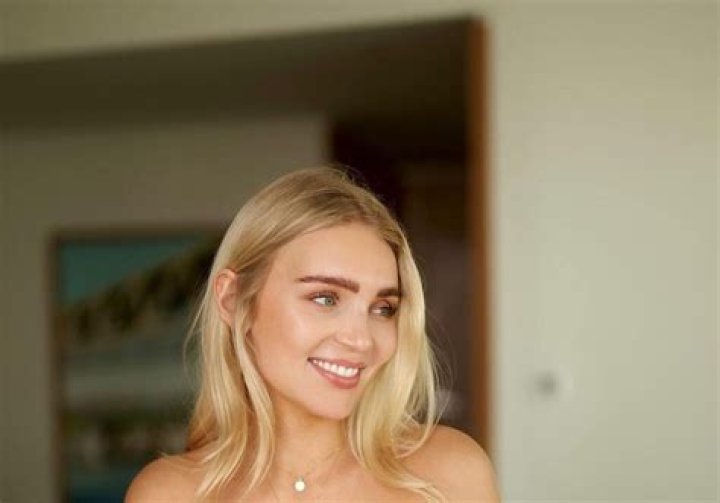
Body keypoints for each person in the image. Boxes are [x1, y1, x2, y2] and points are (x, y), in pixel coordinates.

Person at [125, 167, 499, 502]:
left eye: (383, 308)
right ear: (234, 300)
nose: (361, 340)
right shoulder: (169, 494)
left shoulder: (451, 473)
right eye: (325, 298)